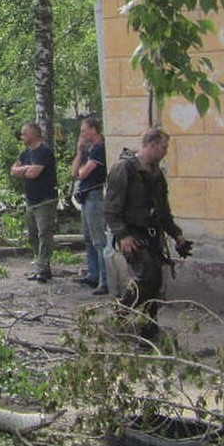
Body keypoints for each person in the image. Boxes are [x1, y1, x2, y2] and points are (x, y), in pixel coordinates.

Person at [103, 127, 193, 342]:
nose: (166, 151)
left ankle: (148, 326)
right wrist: (123, 236)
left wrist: (177, 236)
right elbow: (110, 210)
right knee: (146, 276)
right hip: (132, 233)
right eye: (164, 147)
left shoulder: (156, 174)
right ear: (151, 145)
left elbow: (163, 210)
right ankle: (118, 318)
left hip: (153, 235)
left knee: (156, 282)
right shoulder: (124, 170)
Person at [10, 122, 58, 283]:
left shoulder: (44, 152)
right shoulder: (25, 153)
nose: (21, 137)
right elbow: (13, 170)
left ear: (32, 134)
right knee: (32, 236)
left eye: (24, 134)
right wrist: (26, 168)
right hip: (31, 200)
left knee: (44, 233)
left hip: (45, 200)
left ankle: (42, 269)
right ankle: (43, 266)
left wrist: (24, 170)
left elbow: (33, 174)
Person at [71, 116, 109, 296]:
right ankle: (93, 274)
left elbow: (84, 173)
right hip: (85, 197)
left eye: (84, 130)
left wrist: (81, 171)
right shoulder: (88, 150)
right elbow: (75, 172)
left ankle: (105, 280)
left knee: (99, 240)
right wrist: (79, 152)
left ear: (94, 129)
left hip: (95, 196)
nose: (82, 134)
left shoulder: (100, 148)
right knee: (88, 238)